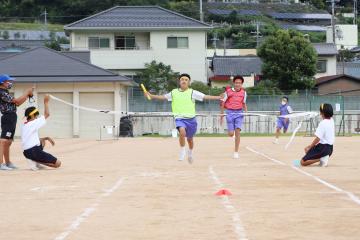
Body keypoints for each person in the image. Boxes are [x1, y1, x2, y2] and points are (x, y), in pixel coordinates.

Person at [144, 73, 223, 163]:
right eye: (182, 79)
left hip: (191, 120)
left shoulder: (192, 92)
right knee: (181, 131)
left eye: (186, 80)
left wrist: (218, 97)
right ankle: (182, 150)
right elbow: (163, 97)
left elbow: (205, 96)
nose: (184, 81)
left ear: (189, 82)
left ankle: (190, 153)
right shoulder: (174, 92)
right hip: (179, 118)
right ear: (179, 82)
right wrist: (151, 95)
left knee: (190, 140)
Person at [0, 74, 34, 170]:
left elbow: (17, 103)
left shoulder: (5, 92)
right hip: (8, 116)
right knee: (3, 140)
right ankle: (1, 163)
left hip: (12, 116)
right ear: (3, 83)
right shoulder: (2, 92)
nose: (10, 83)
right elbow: (17, 101)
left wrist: (27, 95)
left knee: (9, 141)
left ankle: (7, 163)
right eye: (8, 81)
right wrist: (26, 92)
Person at [21, 95, 61, 170]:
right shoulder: (33, 123)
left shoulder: (25, 125)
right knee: (58, 164)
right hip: (33, 151)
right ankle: (35, 161)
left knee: (42, 141)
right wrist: (46, 102)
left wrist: (47, 138)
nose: (37, 118)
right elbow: (47, 114)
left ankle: (35, 160)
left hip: (27, 152)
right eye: (36, 116)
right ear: (32, 116)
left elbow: (30, 139)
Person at [220, 76, 248, 159]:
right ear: (234, 83)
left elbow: (244, 104)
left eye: (239, 83)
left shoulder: (244, 93)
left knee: (238, 131)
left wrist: (246, 112)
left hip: (239, 113)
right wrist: (221, 116)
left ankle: (236, 152)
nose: (238, 84)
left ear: (242, 84)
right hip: (230, 113)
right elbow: (222, 103)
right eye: (236, 83)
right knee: (231, 134)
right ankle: (232, 134)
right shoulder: (228, 92)